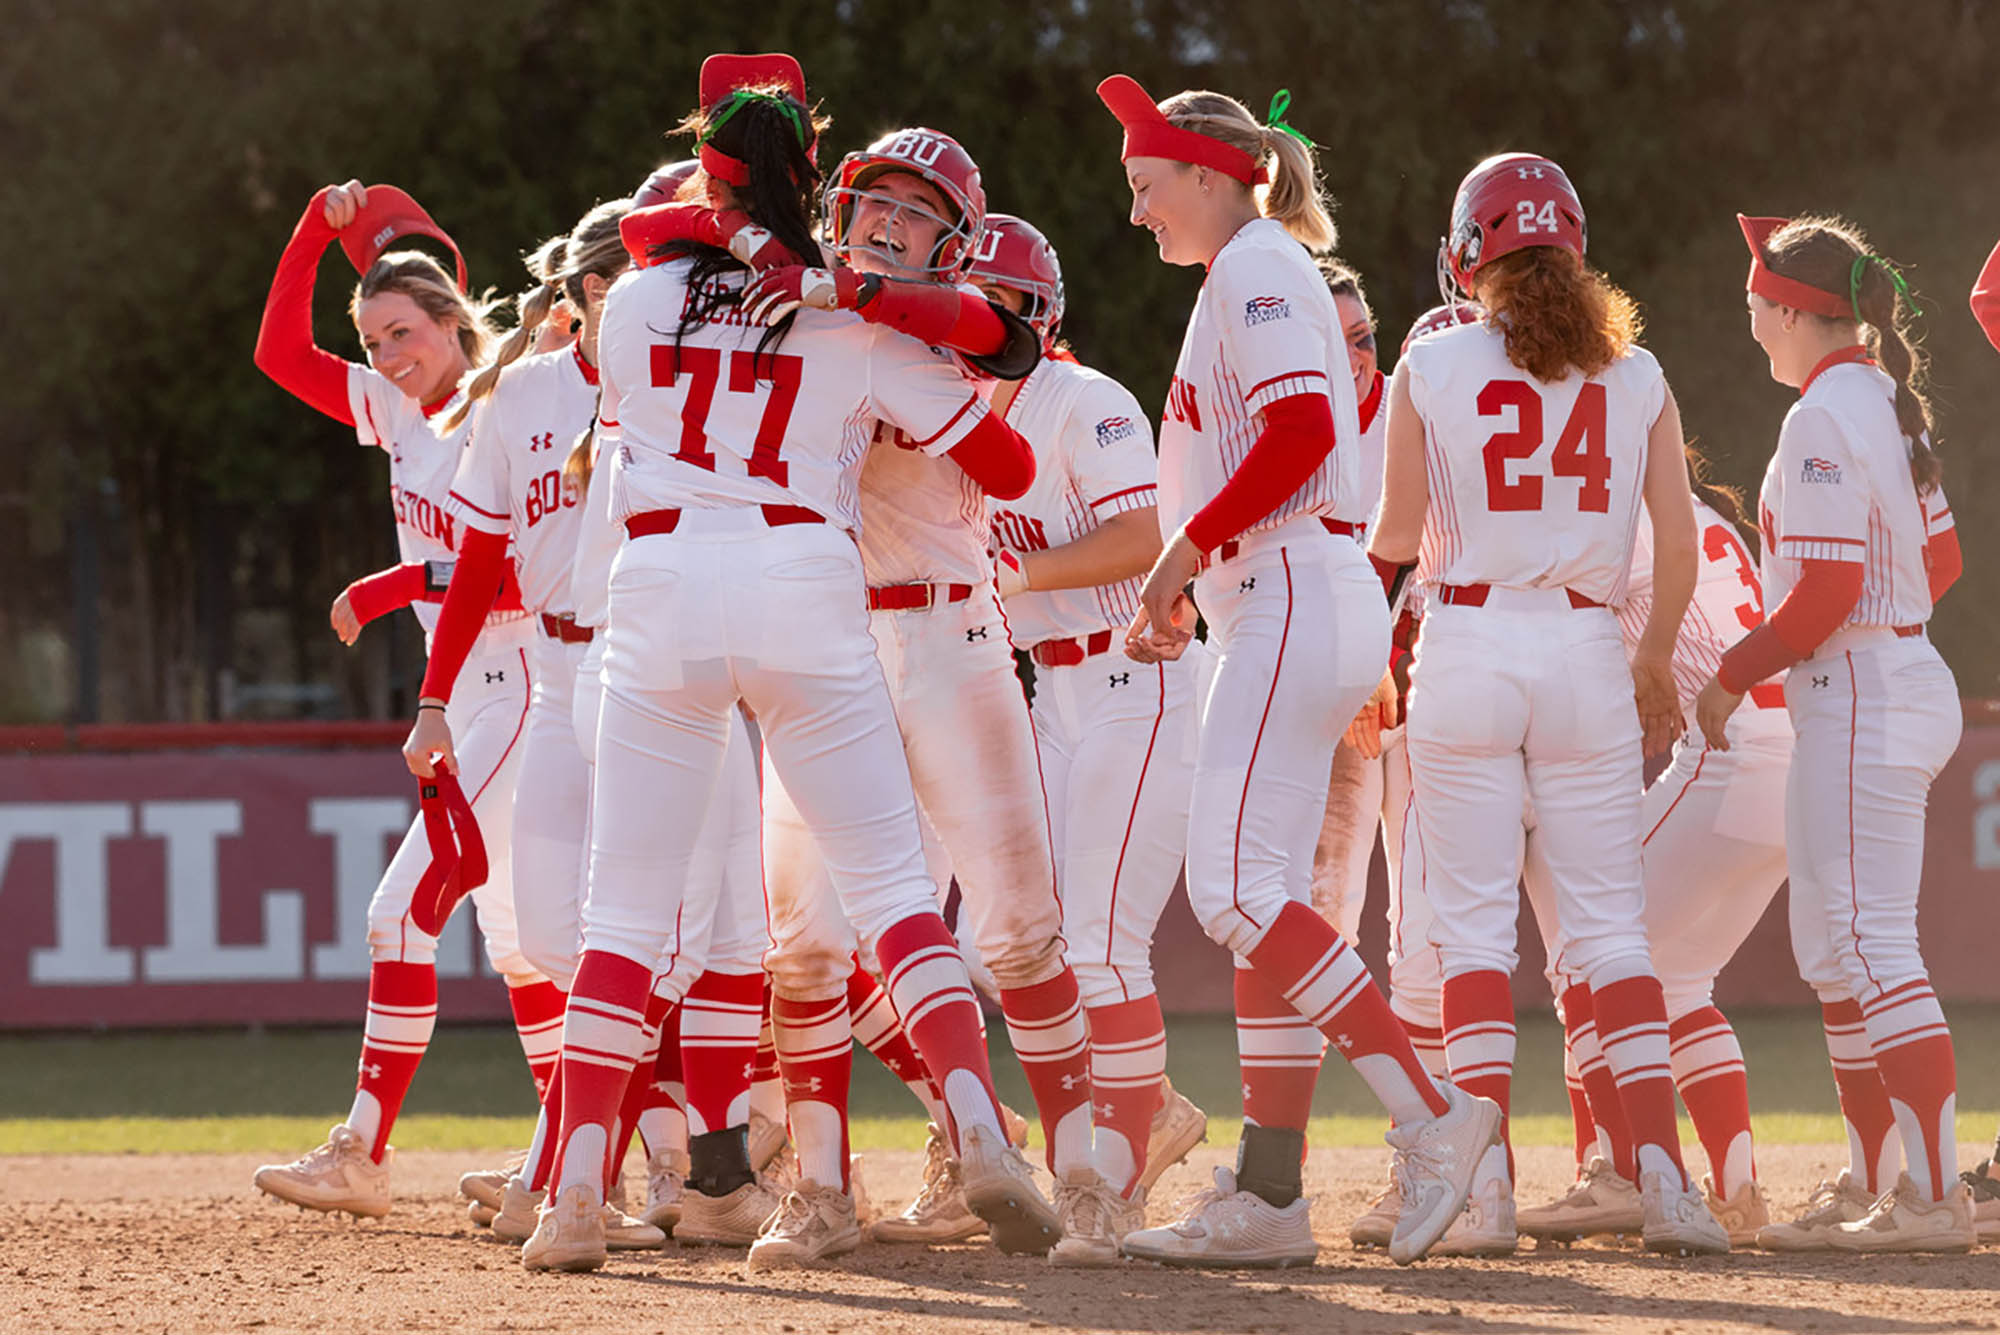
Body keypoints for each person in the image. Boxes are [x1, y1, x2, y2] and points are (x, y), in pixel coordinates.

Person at [520, 53, 1055, 1274]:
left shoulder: (634, 301)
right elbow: (1009, 470)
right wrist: (849, 302)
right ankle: (979, 1132)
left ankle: (574, 1201)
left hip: (655, 588)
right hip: (806, 582)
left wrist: (762, 252)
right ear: (821, 186)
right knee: (888, 889)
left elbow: (661, 248)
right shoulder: (843, 313)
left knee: (622, 915)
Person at [1096, 74, 1499, 1270]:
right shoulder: (1251, 267)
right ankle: (1270, 1199)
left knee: (1231, 892)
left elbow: (1301, 436)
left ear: (1213, 175)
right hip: (1274, 596)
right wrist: (1198, 574)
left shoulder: (1256, 265)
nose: (1135, 212)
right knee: (1261, 907)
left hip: (1286, 590)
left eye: (1145, 182)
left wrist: (1180, 553)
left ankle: (1432, 1117)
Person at [738, 125, 1110, 1272]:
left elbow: (992, 336)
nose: (886, 221)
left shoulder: (956, 320)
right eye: (872, 201)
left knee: (1018, 929)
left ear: (953, 240)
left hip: (950, 634)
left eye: (915, 210)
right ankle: (819, 1191)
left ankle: (1087, 1182)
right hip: (827, 645)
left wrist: (848, 287)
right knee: (798, 943)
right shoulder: (807, 312)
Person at [1367, 151, 1727, 1255]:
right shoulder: (1638, 373)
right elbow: (1676, 542)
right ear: (1571, 246)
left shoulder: (1430, 366)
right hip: (1583, 649)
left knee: (1474, 933)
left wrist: (1361, 655)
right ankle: (1662, 1181)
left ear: (1471, 252)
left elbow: (1388, 542)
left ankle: (1486, 1200)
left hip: (1467, 642)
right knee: (1611, 933)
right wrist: (1655, 658)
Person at [249, 181, 564, 1219]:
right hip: (460, 686)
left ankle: (365, 1151)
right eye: (374, 339)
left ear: (450, 322)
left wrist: (395, 585)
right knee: (519, 938)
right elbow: (278, 359)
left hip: (517, 677)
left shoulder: (508, 404)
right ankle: (571, 1163)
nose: (387, 357)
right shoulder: (391, 406)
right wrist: (311, 231)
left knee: (401, 916)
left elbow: (521, 574)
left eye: (402, 333)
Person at [1694, 213, 1969, 1252]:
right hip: (1870, 681)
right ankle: (1873, 1184)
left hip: (1857, 687)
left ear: (1793, 310)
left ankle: (1931, 1199)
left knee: (1864, 941)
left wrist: (1729, 675)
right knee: (1831, 951)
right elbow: (1936, 568)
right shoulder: (1878, 404)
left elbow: (1829, 588)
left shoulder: (1823, 417)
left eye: (1755, 299)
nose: (1748, 317)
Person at [970, 211, 1208, 1263]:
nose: (980, 317)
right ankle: (1147, 1108)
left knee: (1104, 943)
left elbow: (1145, 531)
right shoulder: (944, 413)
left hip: (1133, 672)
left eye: (1001, 300)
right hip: (1048, 690)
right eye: (966, 296)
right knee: (1031, 943)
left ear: (1039, 312)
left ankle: (1108, 1182)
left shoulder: (1082, 398)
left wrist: (1015, 576)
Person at [1500, 463, 1792, 1249]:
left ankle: (1620, 1175)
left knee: (1588, 956)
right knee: (1678, 980)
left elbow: (1567, 660)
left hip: (1727, 756)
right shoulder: (1700, 515)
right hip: (1786, 771)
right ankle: (1736, 1193)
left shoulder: (1620, 522)